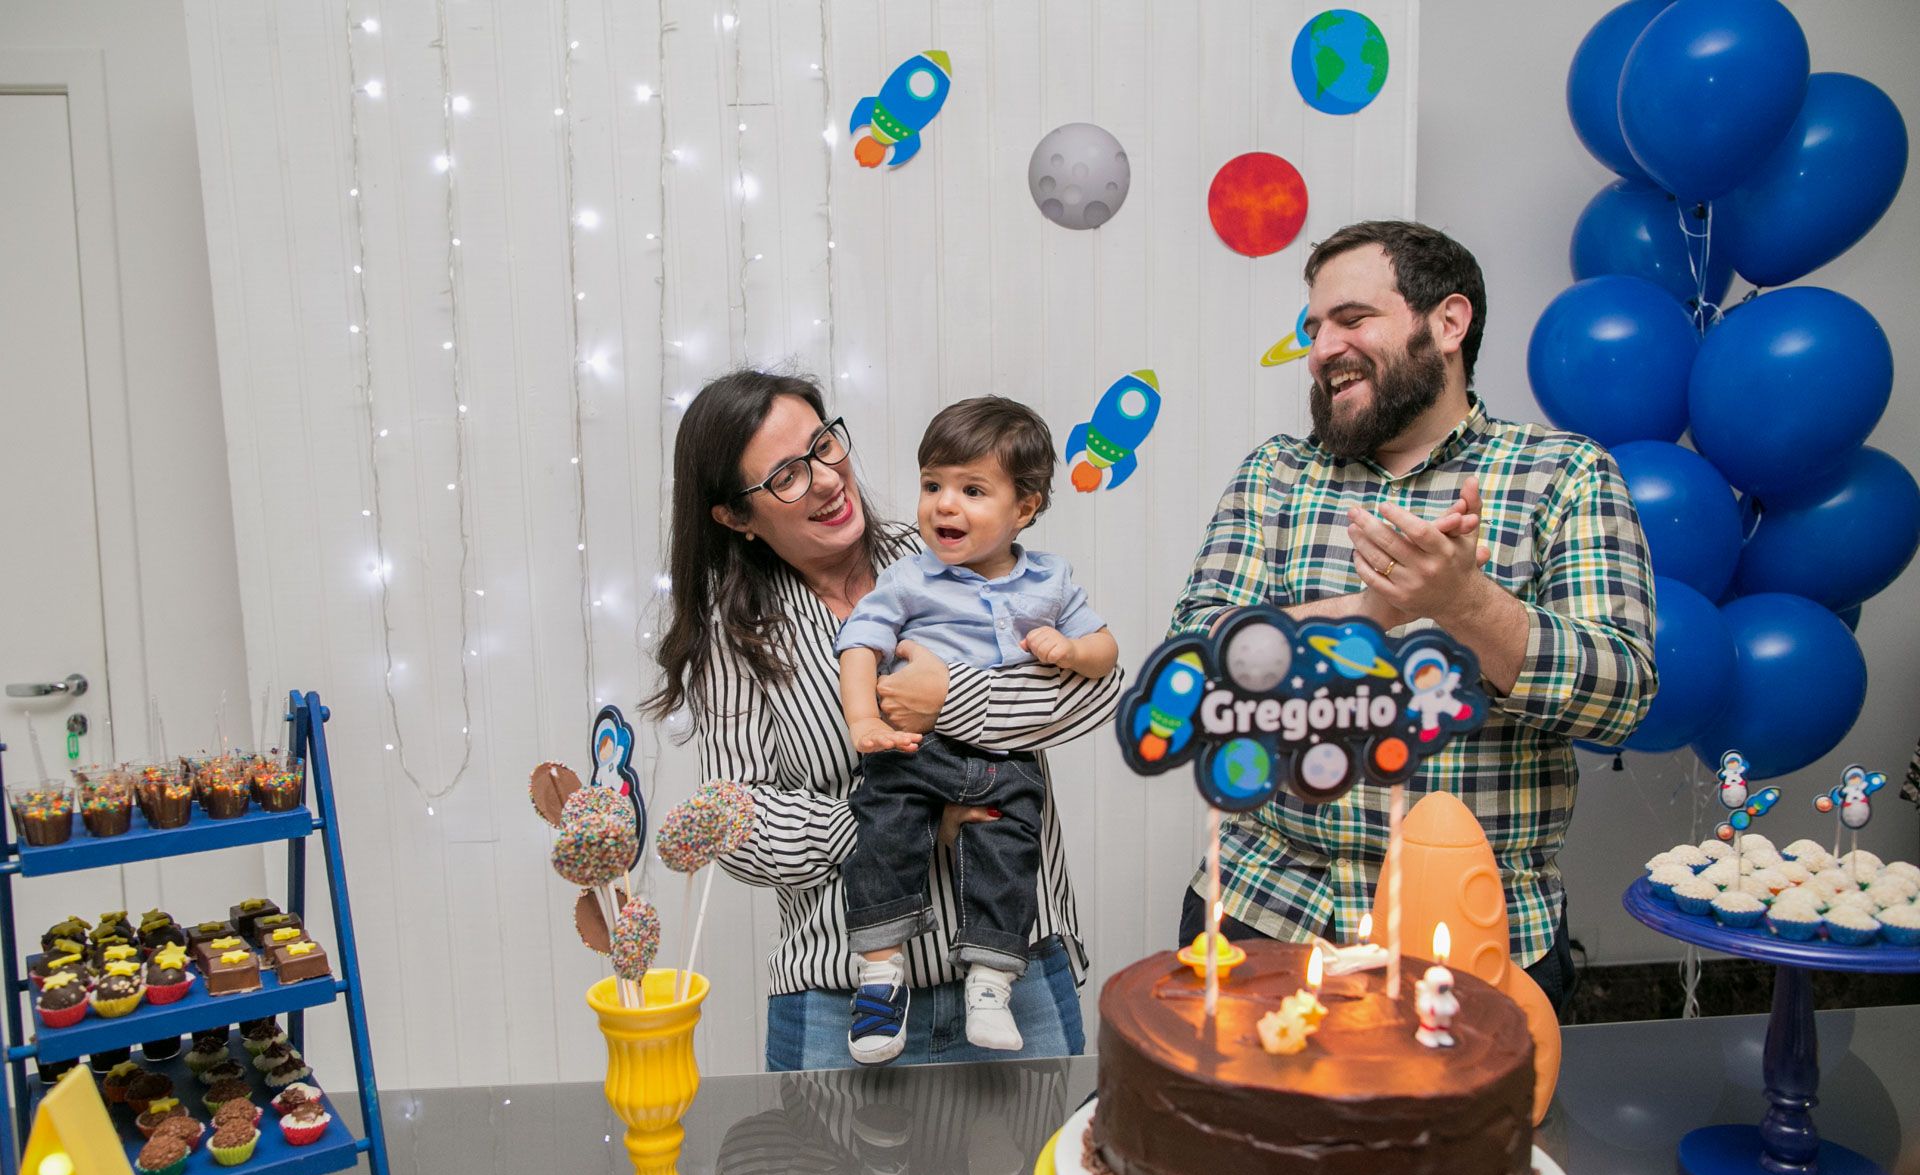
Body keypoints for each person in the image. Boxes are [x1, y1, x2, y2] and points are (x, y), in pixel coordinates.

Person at [1169, 220, 1657, 1015]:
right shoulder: (1276, 474)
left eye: (1353, 319)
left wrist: (1468, 605)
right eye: (1315, 326)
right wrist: (1368, 610)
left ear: (1448, 323)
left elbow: (1622, 696)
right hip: (1265, 915)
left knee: (1464, 1146)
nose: (1322, 347)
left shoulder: (1564, 474)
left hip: (1476, 937)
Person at [647, 370, 1122, 1070]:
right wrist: (899, 823)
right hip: (839, 999)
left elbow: (1095, 692)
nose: (825, 480)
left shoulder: (952, 553)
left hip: (1015, 976)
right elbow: (735, 820)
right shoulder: (737, 635)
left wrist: (951, 697)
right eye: (785, 475)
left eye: (823, 446)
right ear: (736, 517)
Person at [835, 397, 1118, 1063]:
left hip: (1001, 761)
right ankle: (880, 978)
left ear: (1025, 507)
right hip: (915, 751)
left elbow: (1105, 654)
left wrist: (1070, 651)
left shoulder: (1050, 581)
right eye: (932, 485)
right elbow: (860, 644)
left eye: (971, 489)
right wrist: (864, 721)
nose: (943, 505)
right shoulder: (909, 577)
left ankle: (990, 982)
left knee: (1008, 851)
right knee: (884, 833)